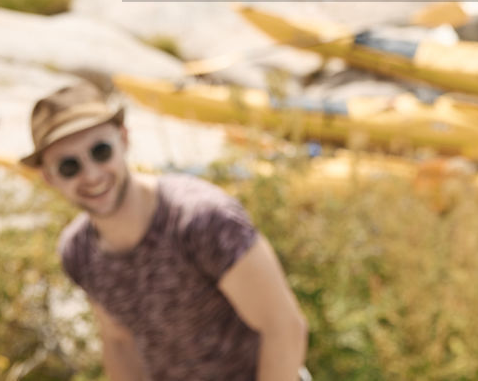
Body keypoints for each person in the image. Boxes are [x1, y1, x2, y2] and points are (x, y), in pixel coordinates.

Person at [21, 82, 309, 380]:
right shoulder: (78, 252)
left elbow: (283, 327)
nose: (92, 175)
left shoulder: (203, 220)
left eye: (101, 151)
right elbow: (119, 341)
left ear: (124, 139)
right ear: (48, 178)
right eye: (69, 166)